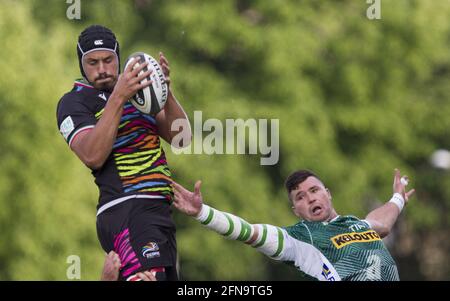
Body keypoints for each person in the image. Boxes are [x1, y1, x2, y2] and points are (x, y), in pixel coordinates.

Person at [56, 25, 191, 281]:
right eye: (92, 62)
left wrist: (165, 91)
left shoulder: (137, 91)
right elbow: (92, 155)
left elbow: (182, 138)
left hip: (158, 211)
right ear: (81, 64)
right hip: (128, 210)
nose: (102, 69)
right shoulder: (74, 102)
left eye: (108, 60)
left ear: (118, 57)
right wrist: (118, 97)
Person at [171, 169, 415, 281]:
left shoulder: (356, 225)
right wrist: (203, 212)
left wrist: (397, 199)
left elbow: (381, 223)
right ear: (295, 210)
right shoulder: (299, 238)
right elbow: (247, 231)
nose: (310, 198)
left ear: (327, 194)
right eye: (300, 197)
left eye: (314, 190)